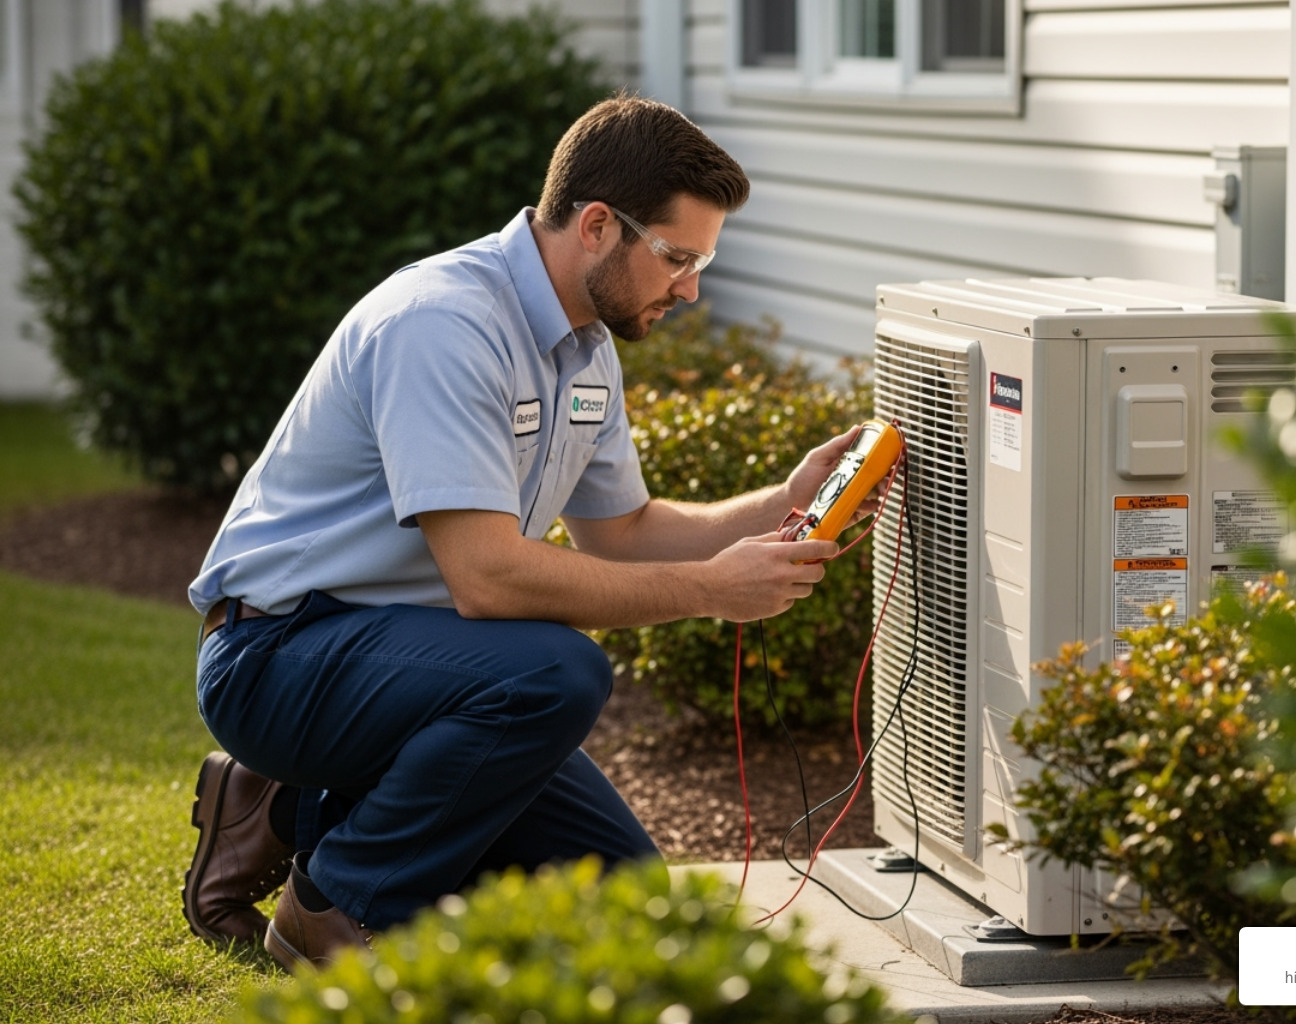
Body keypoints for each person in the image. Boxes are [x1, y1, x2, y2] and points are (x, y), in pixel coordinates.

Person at [180, 95, 862, 971]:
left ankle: (279, 805)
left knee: (634, 906)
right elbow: (489, 581)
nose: (692, 288)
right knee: (557, 670)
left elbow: (623, 530)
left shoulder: (585, 346)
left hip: (412, 664)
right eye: (678, 258)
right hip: (276, 653)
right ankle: (332, 904)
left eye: (703, 262)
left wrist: (785, 501)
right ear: (595, 225)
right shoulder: (443, 325)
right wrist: (711, 592)